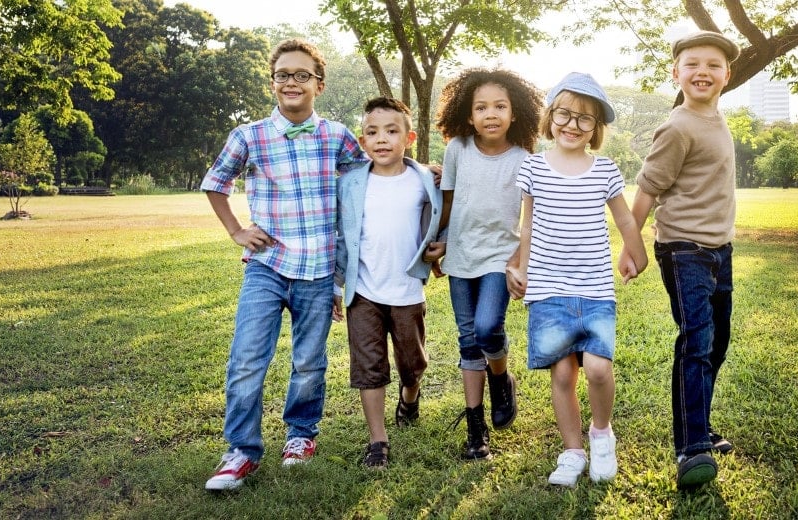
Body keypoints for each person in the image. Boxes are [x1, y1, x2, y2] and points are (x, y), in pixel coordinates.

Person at [201, 38, 368, 491]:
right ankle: (240, 450)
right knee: (247, 358)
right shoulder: (248, 135)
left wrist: (421, 171)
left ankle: (300, 436)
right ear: (272, 82)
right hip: (267, 264)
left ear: (319, 83)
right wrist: (237, 230)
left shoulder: (337, 135)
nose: (290, 82)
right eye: (282, 75)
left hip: (318, 269)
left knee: (309, 361)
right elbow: (216, 182)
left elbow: (371, 174)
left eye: (301, 75)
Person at [506, 72, 648, 486]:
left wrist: (635, 250)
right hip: (548, 287)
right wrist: (519, 267)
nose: (572, 125)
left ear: (596, 129)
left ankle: (601, 434)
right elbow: (526, 225)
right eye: (564, 114)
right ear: (550, 118)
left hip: (595, 287)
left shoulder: (603, 169)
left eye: (584, 119)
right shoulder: (533, 167)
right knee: (564, 374)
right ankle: (571, 451)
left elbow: (622, 216)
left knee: (599, 368)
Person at [621, 30, 741, 489]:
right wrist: (631, 248)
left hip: (719, 250)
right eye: (692, 64)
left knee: (717, 343)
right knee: (696, 340)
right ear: (676, 73)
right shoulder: (677, 125)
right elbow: (648, 189)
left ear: (726, 76)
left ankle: (701, 423)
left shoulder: (715, 118)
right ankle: (691, 447)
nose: (702, 72)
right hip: (684, 249)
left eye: (713, 65)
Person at [426, 68, 543, 460]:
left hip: (500, 256)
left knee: (488, 327)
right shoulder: (458, 149)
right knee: (467, 339)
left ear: (515, 113)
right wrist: (438, 242)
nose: (490, 114)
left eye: (499, 106)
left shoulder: (525, 159)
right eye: (481, 107)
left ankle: (501, 379)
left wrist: (521, 259)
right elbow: (448, 202)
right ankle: (476, 431)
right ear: (468, 113)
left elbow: (532, 217)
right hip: (460, 255)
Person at [332, 97, 441, 470]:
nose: (382, 139)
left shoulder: (424, 180)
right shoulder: (349, 184)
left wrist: (440, 249)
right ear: (363, 142)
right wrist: (337, 285)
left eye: (392, 131)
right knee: (369, 366)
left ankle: (410, 397)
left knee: (412, 363)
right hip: (363, 290)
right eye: (373, 133)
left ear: (408, 137)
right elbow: (341, 237)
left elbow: (443, 218)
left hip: (407, 289)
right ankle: (378, 440)